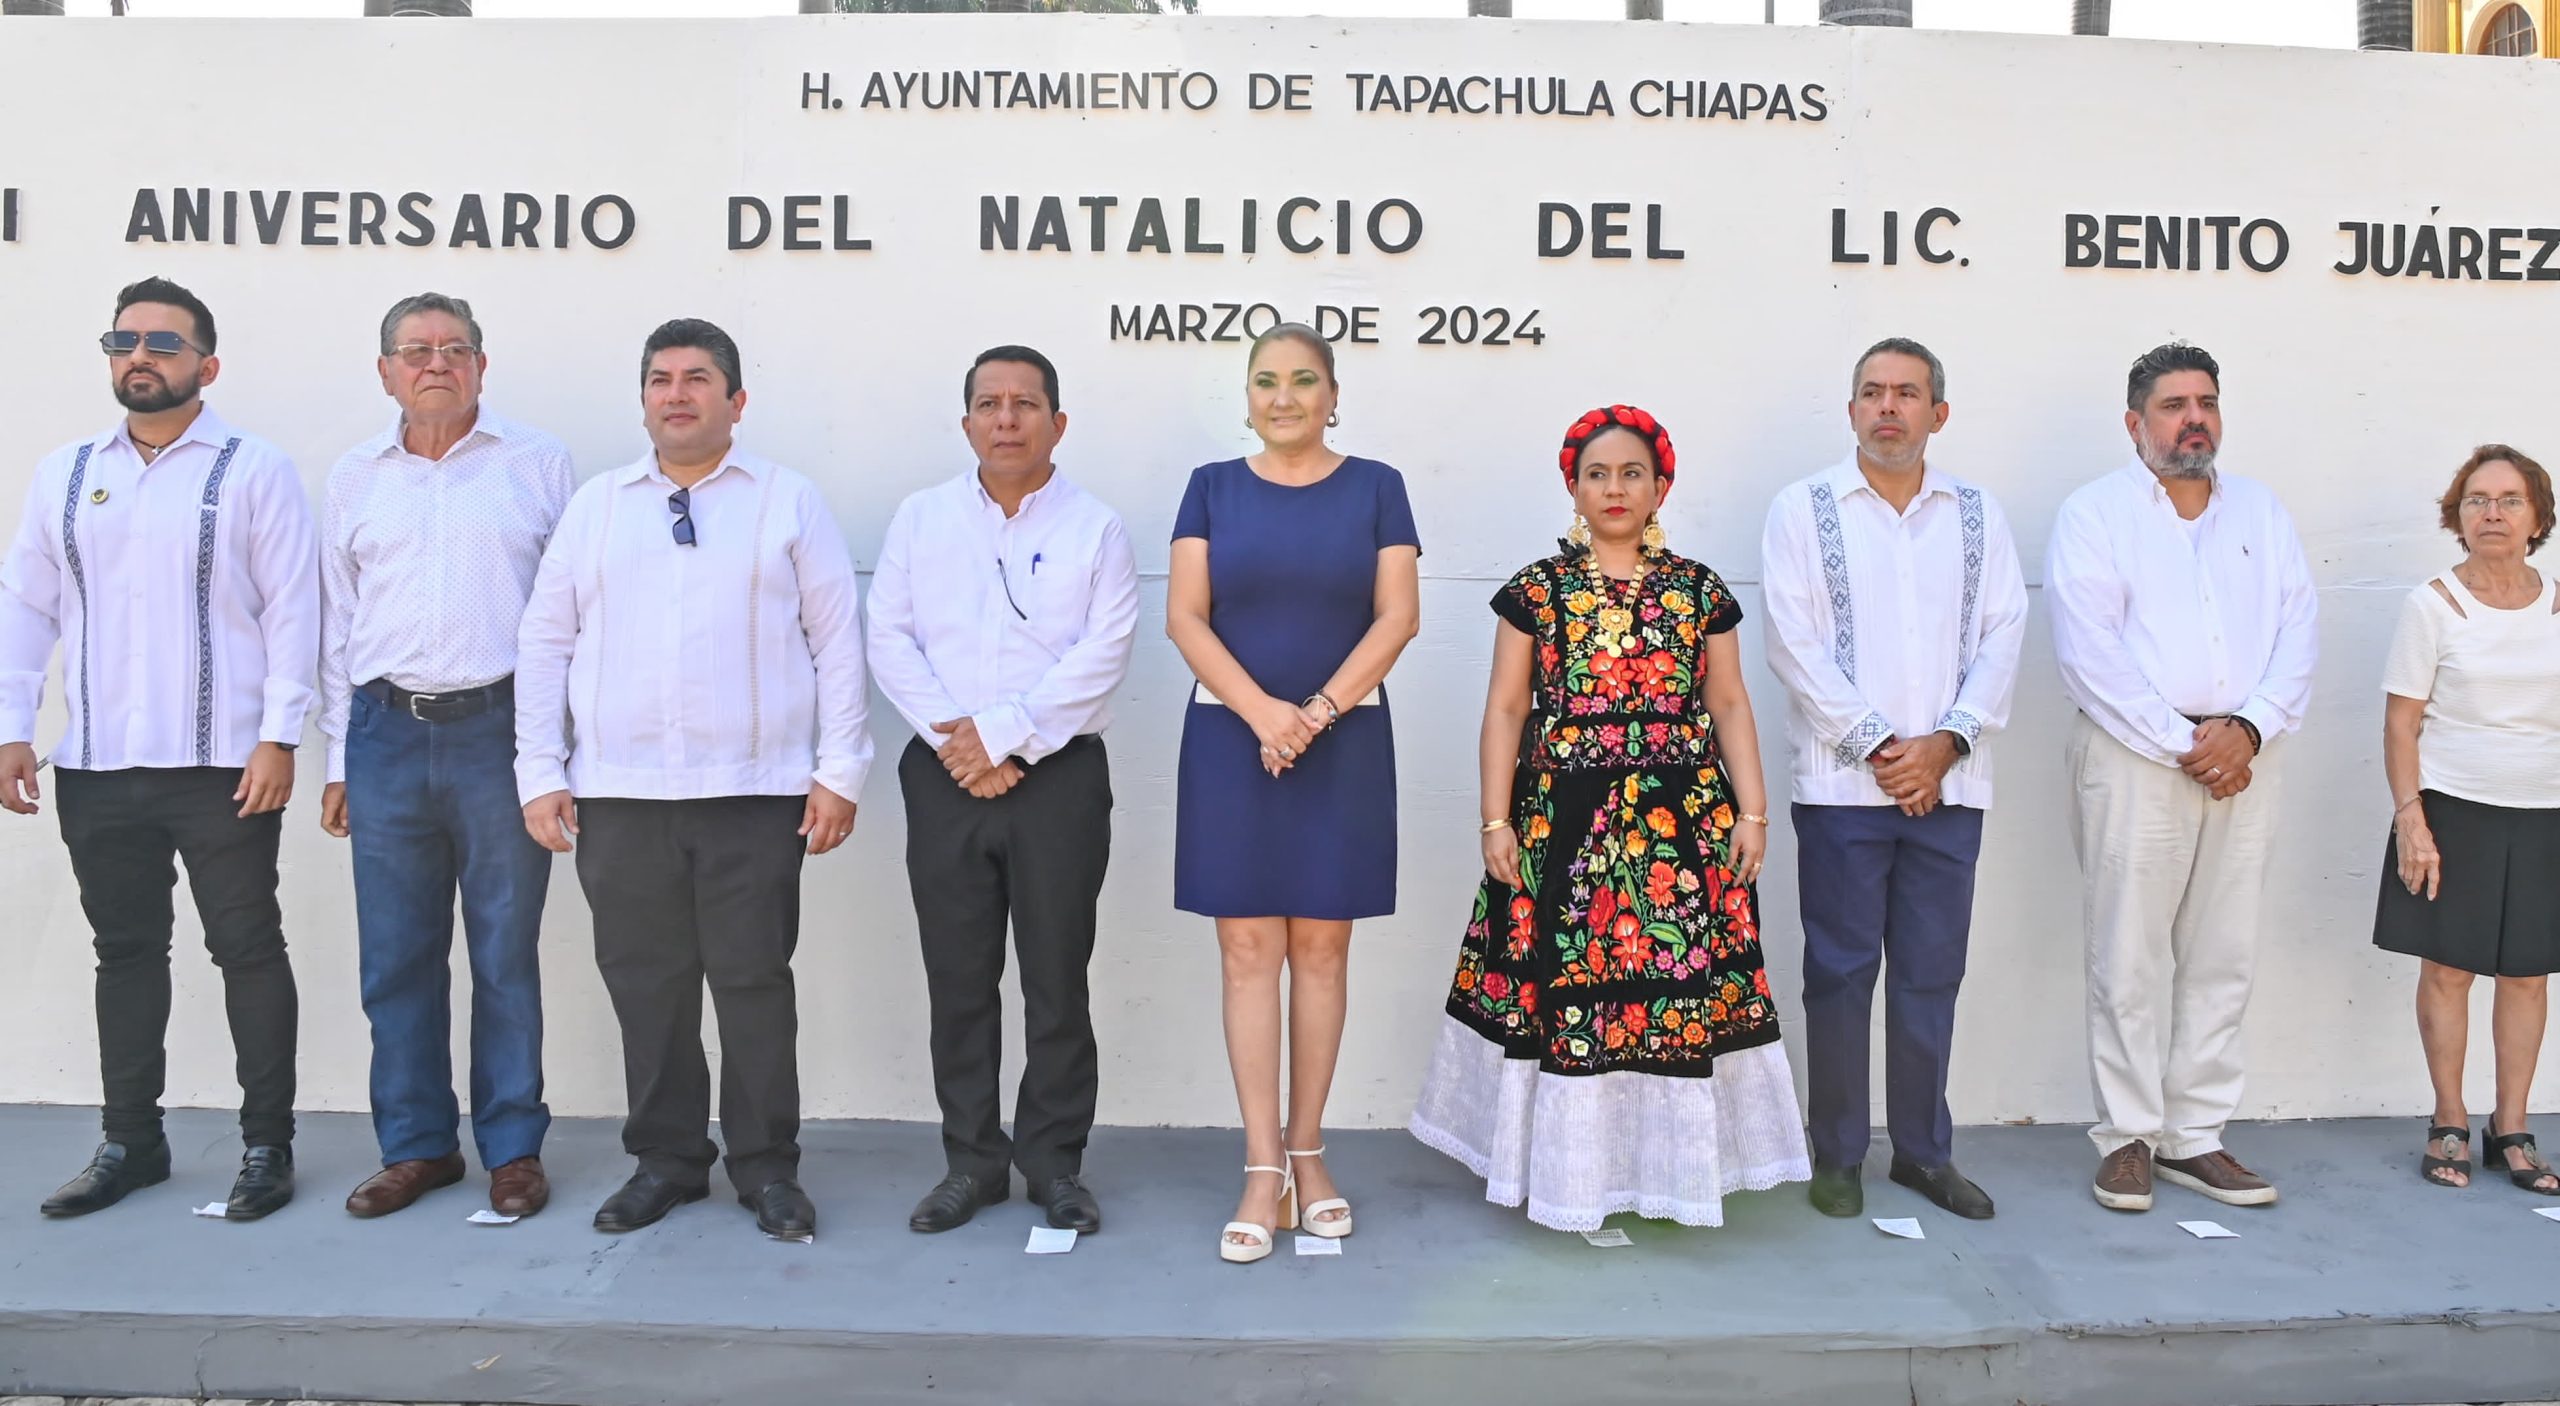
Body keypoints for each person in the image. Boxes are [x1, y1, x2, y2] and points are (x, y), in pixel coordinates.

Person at [1409, 403, 1810, 1232]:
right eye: (1598, 474)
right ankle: (1568, 1179)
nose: (1615, 488)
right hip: (1563, 824)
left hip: (1686, 826)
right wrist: (1495, 821)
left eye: (1632, 473)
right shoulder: (1536, 590)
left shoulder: (1700, 590)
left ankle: (1667, 1172)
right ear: (1574, 486)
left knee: (1674, 988)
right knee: (1569, 997)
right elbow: (1506, 708)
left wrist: (1755, 812)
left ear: (1661, 485)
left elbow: (1729, 703)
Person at [514, 318, 870, 1240]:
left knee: (754, 983)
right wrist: (539, 771)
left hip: (756, 792)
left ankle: (766, 1168)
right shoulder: (596, 507)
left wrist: (840, 774)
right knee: (647, 985)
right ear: (643, 400)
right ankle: (666, 1160)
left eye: (698, 378)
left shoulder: (788, 502)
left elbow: (837, 643)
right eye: (661, 379)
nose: (678, 393)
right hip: (621, 795)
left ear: (736, 401)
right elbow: (546, 642)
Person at [1, 276, 316, 1221]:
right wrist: (14, 726)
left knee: (247, 949)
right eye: (123, 340)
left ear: (206, 366)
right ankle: (131, 1141)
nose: (139, 356)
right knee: (126, 952)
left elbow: (297, 607)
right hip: (97, 764)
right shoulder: (64, 472)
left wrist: (280, 736)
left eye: (163, 344)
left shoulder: (253, 469)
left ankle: (268, 1145)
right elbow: (28, 606)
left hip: (223, 764)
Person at [868, 345, 1138, 1236]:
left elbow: (1100, 660)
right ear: (968, 423)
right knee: (960, 979)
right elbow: (890, 638)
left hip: (1057, 779)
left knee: (1057, 980)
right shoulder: (921, 518)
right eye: (990, 403)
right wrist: (963, 741)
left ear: (1058, 423)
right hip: (945, 775)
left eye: (1026, 404)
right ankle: (971, 1162)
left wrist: (1002, 737)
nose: (1007, 418)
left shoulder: (1096, 529)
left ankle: (1054, 1163)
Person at [1167, 324, 1420, 1263]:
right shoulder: (1211, 486)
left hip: (1342, 742)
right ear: (1247, 397)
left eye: (1303, 380)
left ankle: (1311, 1153)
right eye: (1266, 381)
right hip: (1232, 743)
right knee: (1245, 952)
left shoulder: (1378, 487)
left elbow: (1399, 616)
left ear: (1332, 393)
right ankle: (1261, 1167)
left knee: (1320, 948)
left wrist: (1309, 716)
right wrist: (1264, 715)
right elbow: (1184, 617)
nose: (1284, 396)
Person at [317, 292, 572, 1220]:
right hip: (384, 735)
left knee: (504, 952)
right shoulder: (353, 477)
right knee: (396, 955)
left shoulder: (538, 465)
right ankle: (418, 1146)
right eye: (416, 350)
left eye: (454, 348)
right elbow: (338, 624)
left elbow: (561, 622)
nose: (436, 363)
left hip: (496, 734)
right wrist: (338, 758)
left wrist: (549, 758)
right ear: (385, 370)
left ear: (480, 366)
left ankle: (512, 1147)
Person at [2048, 342, 2317, 1213]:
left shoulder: (2262, 513)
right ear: (2136, 423)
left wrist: (2247, 729)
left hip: (2246, 762)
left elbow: (2297, 631)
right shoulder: (2095, 515)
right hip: (2136, 759)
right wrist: (2186, 742)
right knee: (2126, 952)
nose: (2192, 418)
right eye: (2172, 405)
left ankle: (2195, 1135)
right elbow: (2091, 652)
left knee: (2223, 951)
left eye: (2204, 402)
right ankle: (2127, 1135)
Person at [1762, 339, 2027, 1221]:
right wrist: (1885, 748)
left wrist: (1944, 746)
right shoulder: (1802, 511)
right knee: (1839, 972)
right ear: (1851, 412)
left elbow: (2003, 634)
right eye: (1872, 393)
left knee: (1930, 973)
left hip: (1950, 790)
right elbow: (1792, 645)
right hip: (1842, 793)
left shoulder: (1981, 515)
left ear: (1937, 414)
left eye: (1907, 394)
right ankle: (1836, 1154)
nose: (1888, 408)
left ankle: (1921, 1153)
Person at [2373, 445, 2560, 1196]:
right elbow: (2400, 725)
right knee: (2448, 969)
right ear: (2458, 516)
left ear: (2537, 518)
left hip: (2545, 811)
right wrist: (2411, 819)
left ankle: (2509, 1127)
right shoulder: (2433, 605)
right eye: (2478, 500)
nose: (2493, 513)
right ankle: (2448, 1117)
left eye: (2510, 500)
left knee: (2526, 975)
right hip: (2453, 809)